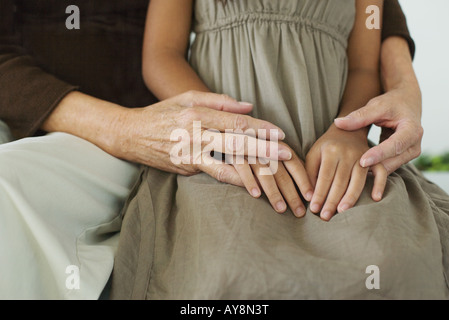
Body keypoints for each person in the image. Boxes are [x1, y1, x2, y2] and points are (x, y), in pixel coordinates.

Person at [109, 0, 449, 299]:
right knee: (226, 267)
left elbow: (363, 66)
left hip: (331, 152)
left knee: (396, 259)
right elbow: (160, 56)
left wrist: (350, 132)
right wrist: (225, 130)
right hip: (225, 154)